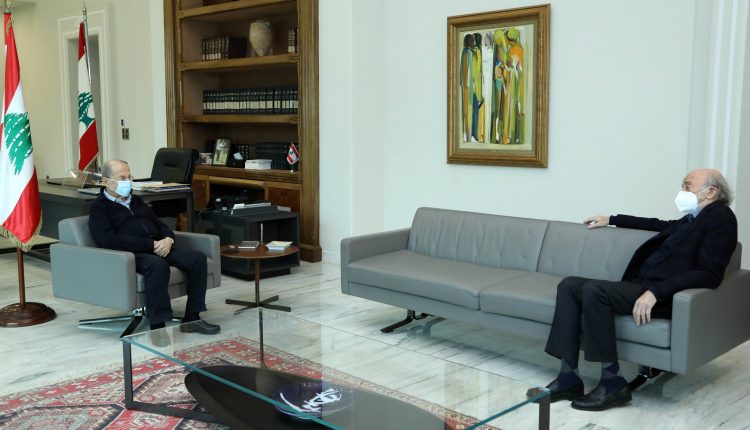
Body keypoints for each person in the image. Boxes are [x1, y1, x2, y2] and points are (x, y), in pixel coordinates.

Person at [539, 168, 737, 411]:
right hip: (641, 286)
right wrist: (612, 219)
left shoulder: (721, 218)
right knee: (569, 285)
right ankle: (568, 377)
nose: (681, 191)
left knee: (594, 290)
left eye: (687, 186)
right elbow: (659, 225)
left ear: (711, 192)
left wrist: (656, 292)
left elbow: (709, 273)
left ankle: (612, 383)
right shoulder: (694, 218)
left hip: (662, 295)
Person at [88, 159, 220, 336]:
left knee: (197, 258)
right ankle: (158, 327)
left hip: (158, 246)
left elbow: (159, 224)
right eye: (122, 178)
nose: (128, 182)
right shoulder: (99, 207)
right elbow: (108, 240)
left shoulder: (136, 201)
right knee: (157, 265)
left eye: (129, 177)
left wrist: (168, 239)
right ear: (105, 181)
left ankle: (192, 319)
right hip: (132, 253)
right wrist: (150, 245)